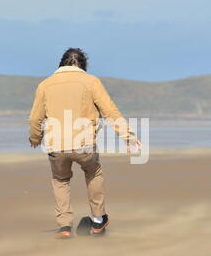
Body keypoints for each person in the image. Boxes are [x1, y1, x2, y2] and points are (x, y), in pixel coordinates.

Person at [28, 48, 141, 239]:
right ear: (83, 65)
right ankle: (98, 220)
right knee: (93, 173)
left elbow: (34, 119)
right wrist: (128, 136)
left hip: (56, 146)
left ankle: (64, 226)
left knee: (60, 180)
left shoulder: (45, 85)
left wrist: (35, 138)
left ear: (61, 63)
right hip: (84, 144)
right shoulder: (91, 82)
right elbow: (109, 110)